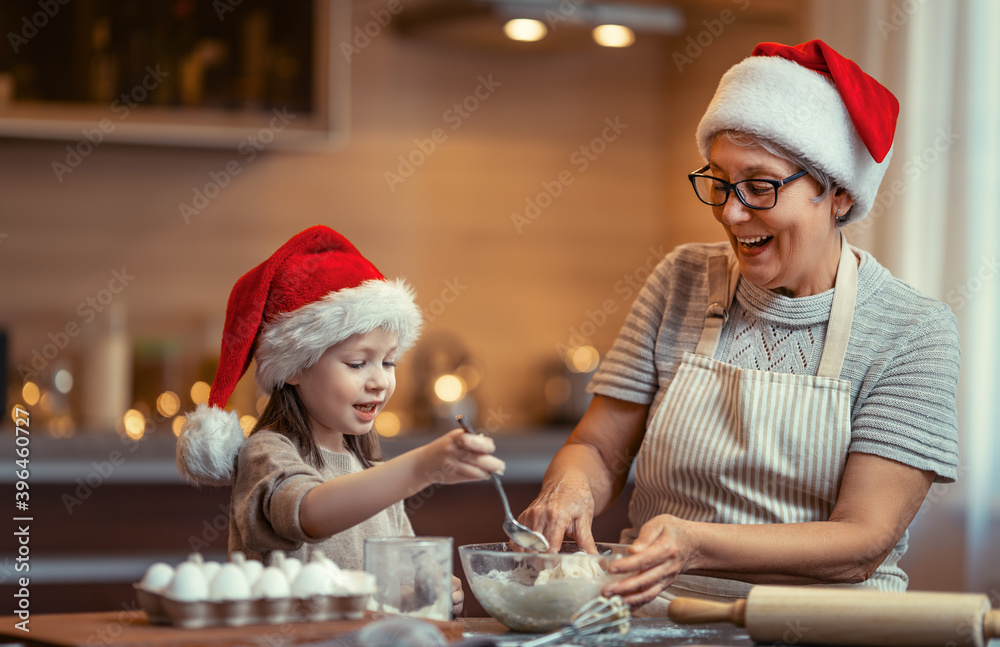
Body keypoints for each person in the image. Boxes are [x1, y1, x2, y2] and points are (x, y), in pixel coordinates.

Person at [518, 40, 960, 613]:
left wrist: (694, 543)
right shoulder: (681, 279)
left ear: (840, 195)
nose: (730, 212)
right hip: (655, 615)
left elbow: (861, 541)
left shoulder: (912, 331)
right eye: (720, 181)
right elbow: (599, 449)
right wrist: (570, 489)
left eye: (760, 185)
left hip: (822, 626)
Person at [176, 225, 505, 616]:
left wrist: (423, 590)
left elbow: (392, 587)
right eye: (356, 363)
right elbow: (309, 515)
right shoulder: (268, 453)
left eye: (388, 362)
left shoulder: (369, 467)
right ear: (295, 367)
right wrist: (422, 466)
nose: (380, 381)